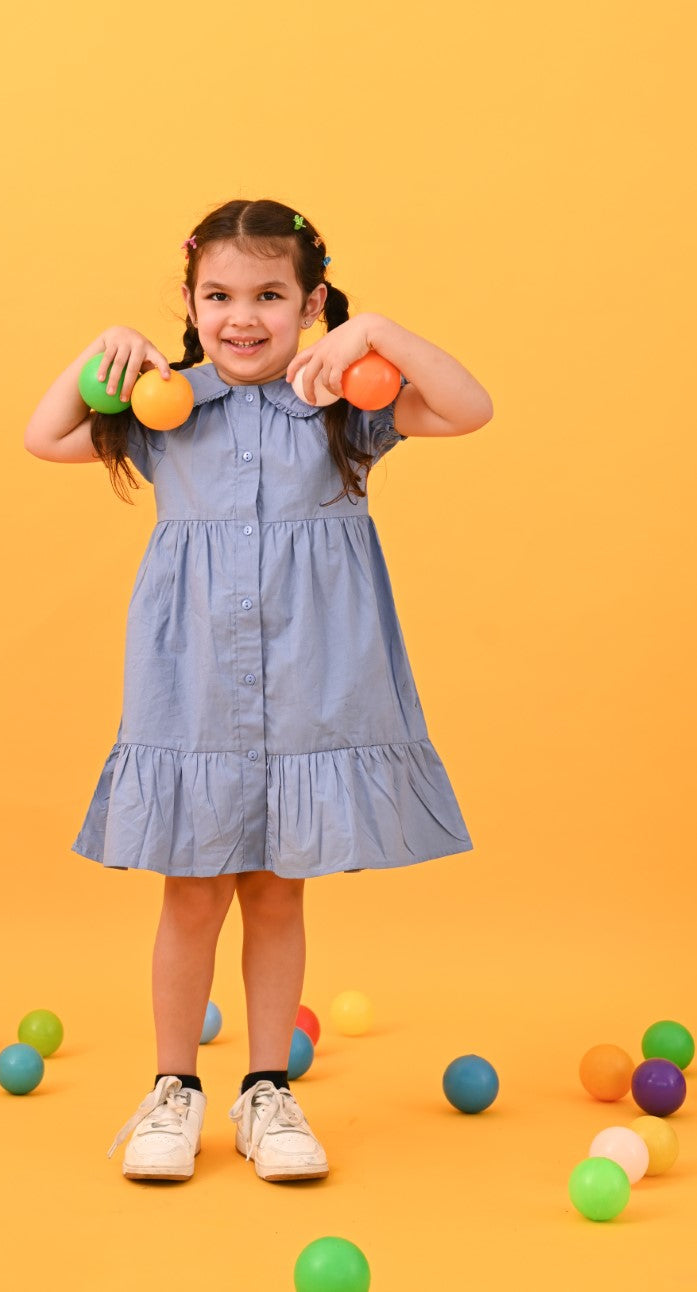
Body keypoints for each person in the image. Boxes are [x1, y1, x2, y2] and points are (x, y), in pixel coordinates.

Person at [24, 198, 492, 1184]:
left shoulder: (344, 404)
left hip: (308, 696)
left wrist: (376, 335)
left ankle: (264, 1091)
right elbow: (44, 435)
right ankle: (172, 1091)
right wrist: (96, 354)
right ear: (191, 303)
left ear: (308, 302)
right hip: (194, 699)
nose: (242, 317)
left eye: (269, 295)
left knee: (277, 894)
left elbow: (466, 406)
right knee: (191, 895)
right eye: (219, 295)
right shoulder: (167, 410)